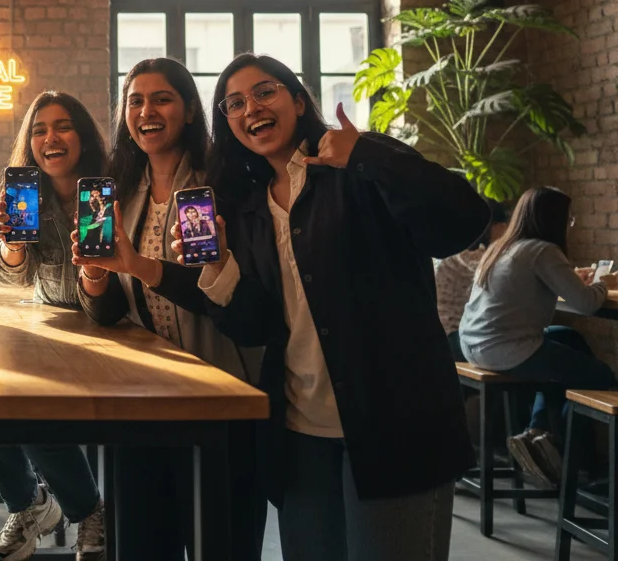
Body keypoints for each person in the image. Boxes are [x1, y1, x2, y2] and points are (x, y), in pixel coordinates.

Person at [169, 54, 487, 561]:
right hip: (300, 437)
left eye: (265, 92)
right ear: (228, 124)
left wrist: (367, 155)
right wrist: (219, 268)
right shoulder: (249, 208)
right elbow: (259, 327)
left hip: (394, 426)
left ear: (298, 100)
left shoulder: (358, 167)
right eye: (234, 103)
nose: (251, 107)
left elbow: (464, 220)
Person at [73, 57, 264, 560]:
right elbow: (113, 314)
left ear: (187, 111)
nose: (146, 110)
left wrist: (137, 265)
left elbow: (225, 299)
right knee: (139, 544)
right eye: (135, 100)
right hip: (140, 399)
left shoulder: (223, 185)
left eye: (162, 98)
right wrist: (95, 274)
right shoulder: (122, 191)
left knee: (220, 541)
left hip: (218, 395)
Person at [0, 91, 108, 561]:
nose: (51, 137)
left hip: (113, 334)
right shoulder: (29, 198)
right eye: (39, 130)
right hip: (49, 332)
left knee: (32, 409)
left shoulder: (113, 191)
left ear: (84, 137)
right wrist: (10, 244)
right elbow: (13, 276)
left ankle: (87, 510)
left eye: (63, 126)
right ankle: (29, 503)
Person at [458, 187, 618, 488]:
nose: (570, 224)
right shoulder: (543, 250)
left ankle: (538, 433)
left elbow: (539, 288)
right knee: (601, 375)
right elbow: (586, 303)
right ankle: (564, 453)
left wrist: (572, 278)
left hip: (475, 344)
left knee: (569, 339)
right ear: (553, 218)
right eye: (569, 219)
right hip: (505, 348)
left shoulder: (504, 247)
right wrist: (602, 281)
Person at [437, 199, 510, 360]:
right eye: (504, 225)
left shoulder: (453, 251)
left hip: (442, 336)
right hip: (457, 338)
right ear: (493, 225)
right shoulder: (477, 259)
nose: (507, 231)